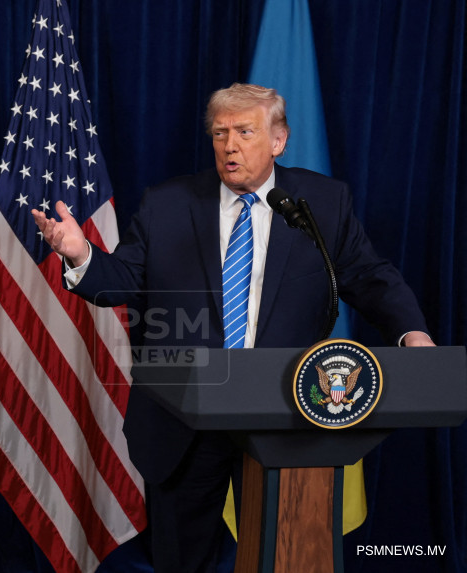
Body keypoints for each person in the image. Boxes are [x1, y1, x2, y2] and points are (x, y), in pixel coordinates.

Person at [32, 83, 433, 572]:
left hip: (286, 414)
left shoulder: (321, 203)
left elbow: (369, 277)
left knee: (286, 555)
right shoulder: (168, 203)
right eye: (220, 133)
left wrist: (411, 332)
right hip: (183, 421)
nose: (229, 145)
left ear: (278, 141)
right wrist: (81, 256)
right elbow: (122, 281)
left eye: (245, 132)